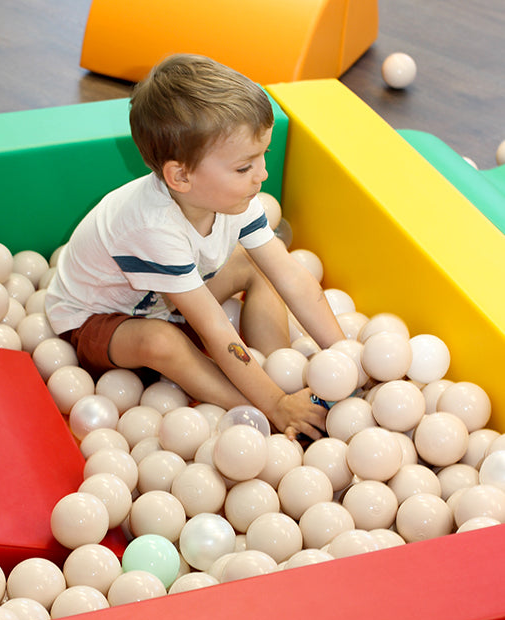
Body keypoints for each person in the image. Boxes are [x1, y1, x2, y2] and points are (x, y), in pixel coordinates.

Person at [45, 54, 345, 440]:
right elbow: (215, 328)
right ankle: (260, 406)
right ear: (181, 176)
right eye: (244, 167)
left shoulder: (235, 196)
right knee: (161, 341)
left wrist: (346, 358)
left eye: (263, 157)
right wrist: (272, 405)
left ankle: (279, 375)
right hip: (99, 320)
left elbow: (290, 276)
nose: (262, 175)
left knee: (257, 266)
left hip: (166, 301)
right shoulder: (152, 226)